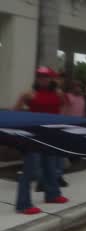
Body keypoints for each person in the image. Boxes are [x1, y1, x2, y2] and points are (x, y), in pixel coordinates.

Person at [12, 66, 69, 215]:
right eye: (40, 76)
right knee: (30, 170)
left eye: (46, 76)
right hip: (33, 137)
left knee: (50, 166)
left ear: (51, 79)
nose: (42, 79)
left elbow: (64, 109)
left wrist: (60, 125)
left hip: (50, 136)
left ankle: (52, 195)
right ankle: (23, 204)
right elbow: (14, 112)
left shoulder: (59, 94)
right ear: (37, 78)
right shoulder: (29, 94)